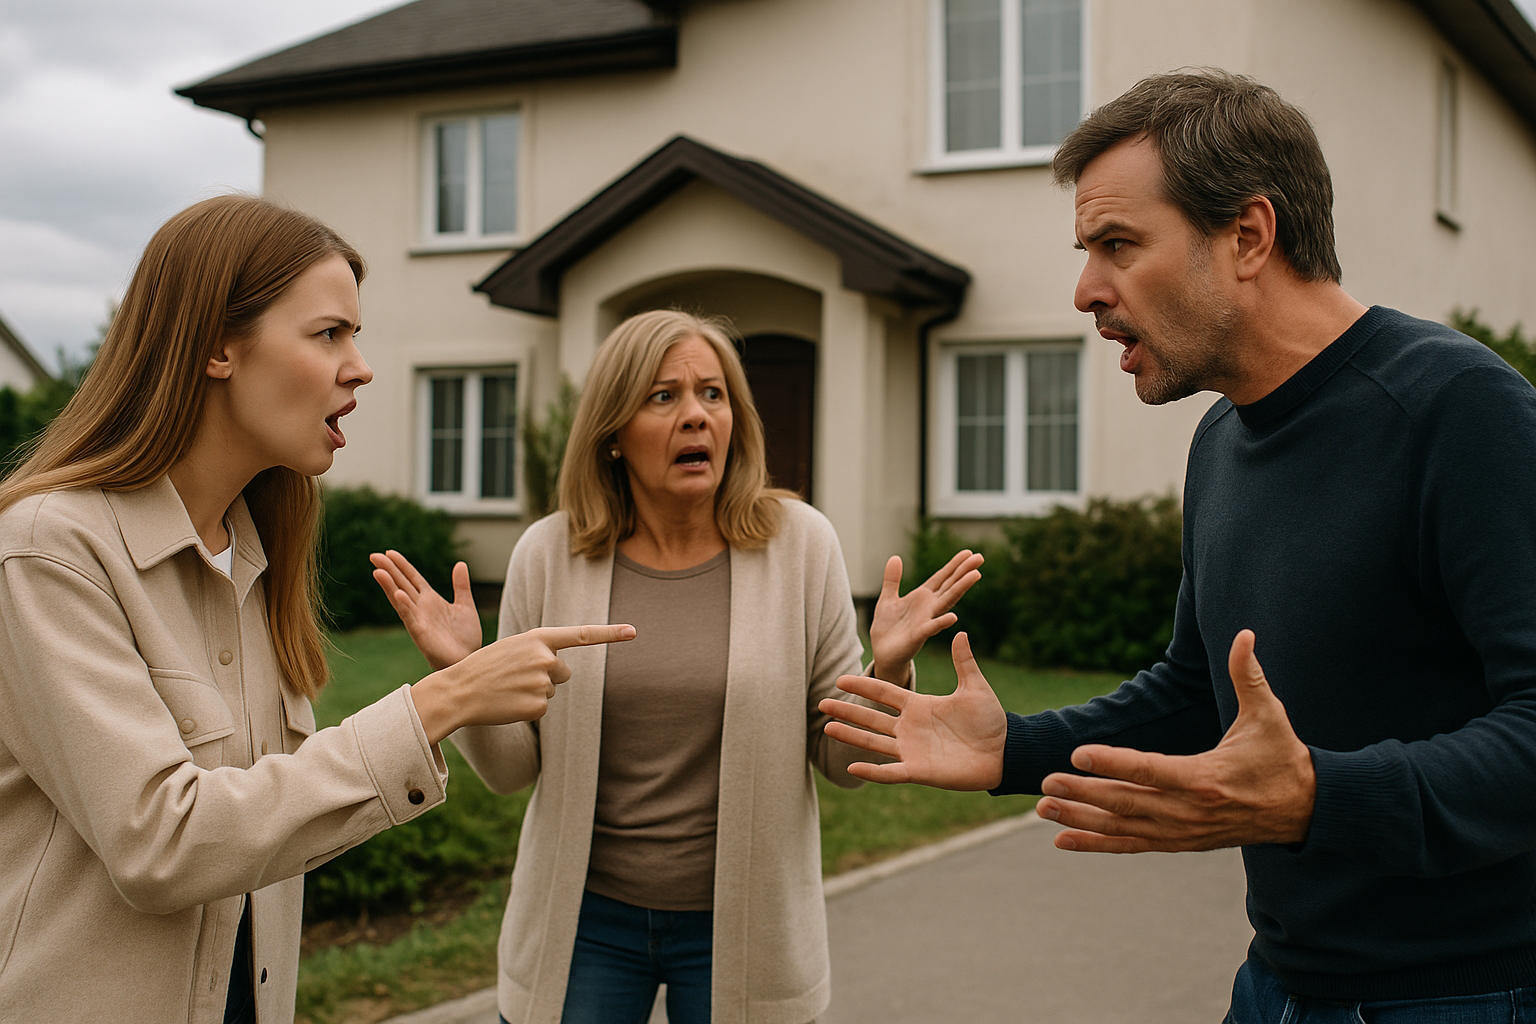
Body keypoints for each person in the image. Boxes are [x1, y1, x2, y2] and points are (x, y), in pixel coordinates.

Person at [820, 70, 1536, 1022]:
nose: (1085, 291)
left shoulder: (1460, 412)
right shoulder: (1223, 439)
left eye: (1118, 244)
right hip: (1278, 986)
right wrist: (1014, 748)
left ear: (1248, 235)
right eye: (1086, 251)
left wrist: (1324, 794)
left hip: (1467, 995)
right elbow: (1197, 696)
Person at [0, 195, 631, 1024]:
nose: (361, 366)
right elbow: (160, 842)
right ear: (218, 348)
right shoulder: (49, 549)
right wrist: (440, 704)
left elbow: (260, 831)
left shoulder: (255, 556)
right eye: (329, 333)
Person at [369, 308, 982, 1024]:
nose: (696, 416)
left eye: (713, 394)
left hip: (744, 923)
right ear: (614, 434)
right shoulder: (549, 555)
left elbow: (838, 764)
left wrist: (887, 669)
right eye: (664, 397)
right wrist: (464, 675)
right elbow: (512, 772)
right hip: (585, 925)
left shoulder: (801, 546)